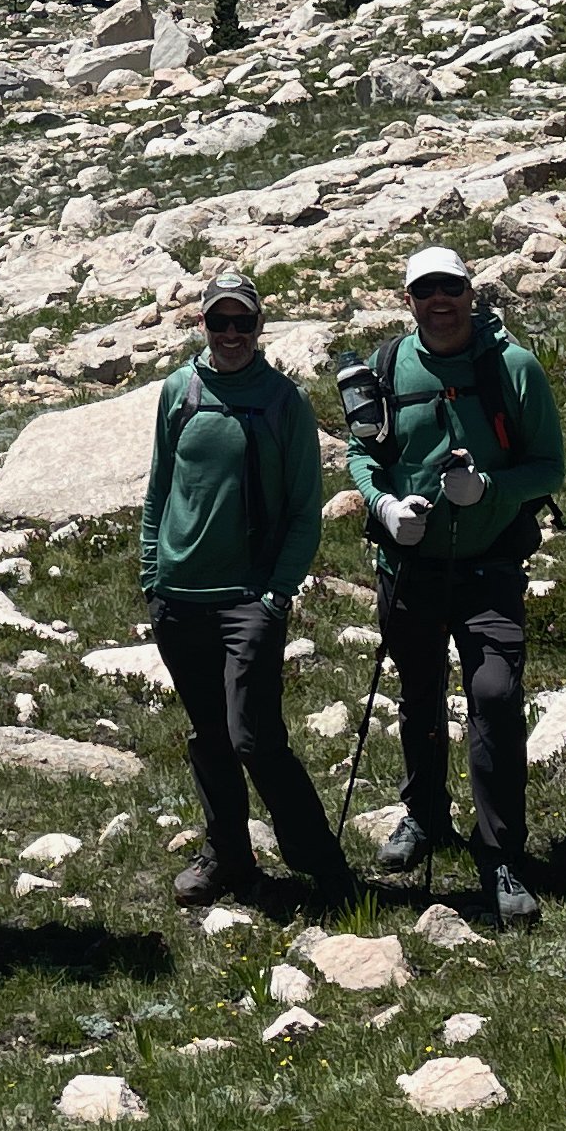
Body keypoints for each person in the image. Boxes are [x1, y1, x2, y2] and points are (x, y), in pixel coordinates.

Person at [343, 242, 564, 929]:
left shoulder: (513, 368)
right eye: (425, 290)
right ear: (408, 300)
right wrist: (383, 506)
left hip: (490, 566)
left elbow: (549, 468)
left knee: (494, 695)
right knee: (418, 695)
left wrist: (488, 488)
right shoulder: (386, 366)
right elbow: (362, 453)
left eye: (450, 287)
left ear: (471, 293)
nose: (439, 301)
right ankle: (424, 815)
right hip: (408, 568)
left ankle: (501, 855)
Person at [141, 267, 350, 910]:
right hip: (179, 594)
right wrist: (151, 573)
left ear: (259, 326)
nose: (230, 333)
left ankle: (320, 861)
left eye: (242, 322)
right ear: (202, 323)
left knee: (253, 736)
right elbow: (159, 488)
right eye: (219, 321)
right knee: (209, 733)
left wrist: (277, 592)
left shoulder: (284, 401)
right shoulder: (179, 390)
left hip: (248, 599)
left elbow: (304, 509)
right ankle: (226, 854)